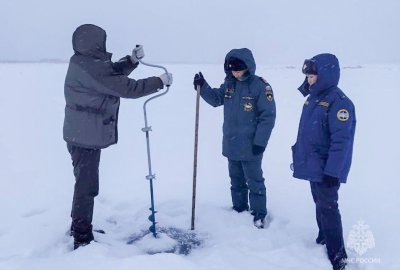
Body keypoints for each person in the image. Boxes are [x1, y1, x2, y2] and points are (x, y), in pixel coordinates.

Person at [63, 24, 173, 249]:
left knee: (83, 183)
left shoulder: (82, 62)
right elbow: (126, 88)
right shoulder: (90, 67)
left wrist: (131, 61)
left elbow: (110, 73)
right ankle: (82, 238)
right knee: (87, 186)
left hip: (81, 134)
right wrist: (159, 81)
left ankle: (78, 227)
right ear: (95, 42)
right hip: (84, 137)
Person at [193, 48, 276, 228]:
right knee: (236, 181)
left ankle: (259, 214)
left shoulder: (260, 86)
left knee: (255, 182)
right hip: (232, 144)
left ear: (248, 67)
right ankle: (239, 210)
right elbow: (216, 99)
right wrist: (203, 86)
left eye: (239, 69)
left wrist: (260, 142)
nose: (235, 73)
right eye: (232, 70)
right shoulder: (229, 84)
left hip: (251, 145)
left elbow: (267, 117)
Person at [291, 53, 356, 270]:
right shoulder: (314, 98)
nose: (308, 80)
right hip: (314, 164)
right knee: (319, 203)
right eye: (308, 76)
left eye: (312, 76)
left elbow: (341, 141)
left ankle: (338, 256)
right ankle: (323, 237)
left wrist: (333, 171)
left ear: (325, 75)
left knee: (328, 207)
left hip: (327, 168)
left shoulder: (339, 103)